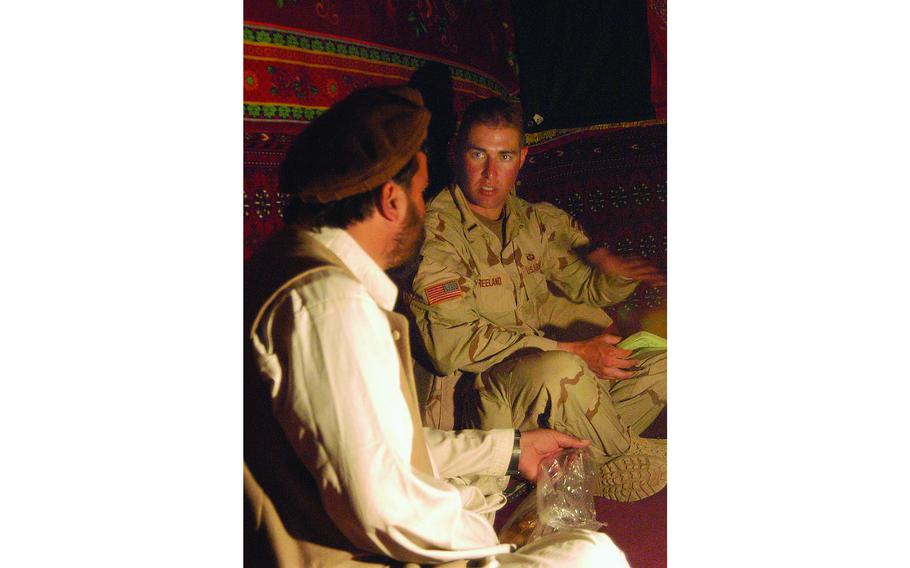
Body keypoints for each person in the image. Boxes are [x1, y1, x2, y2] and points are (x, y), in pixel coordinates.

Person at [244, 86, 629, 567]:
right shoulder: (331, 306)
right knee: (590, 554)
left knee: (498, 502)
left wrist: (508, 450)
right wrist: (495, 548)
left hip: (342, 524)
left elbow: (382, 443)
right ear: (392, 200)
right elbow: (386, 508)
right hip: (347, 553)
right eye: (421, 193)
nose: (428, 208)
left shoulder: (290, 265)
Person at [408, 97, 668, 502]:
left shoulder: (535, 221)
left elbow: (587, 288)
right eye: (479, 154)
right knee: (563, 368)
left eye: (505, 156)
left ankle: (584, 458)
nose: (491, 174)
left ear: (522, 158)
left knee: (663, 362)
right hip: (478, 400)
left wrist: (616, 275)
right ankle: (619, 458)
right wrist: (571, 349)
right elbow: (448, 348)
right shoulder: (434, 234)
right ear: (456, 153)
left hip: (540, 387)